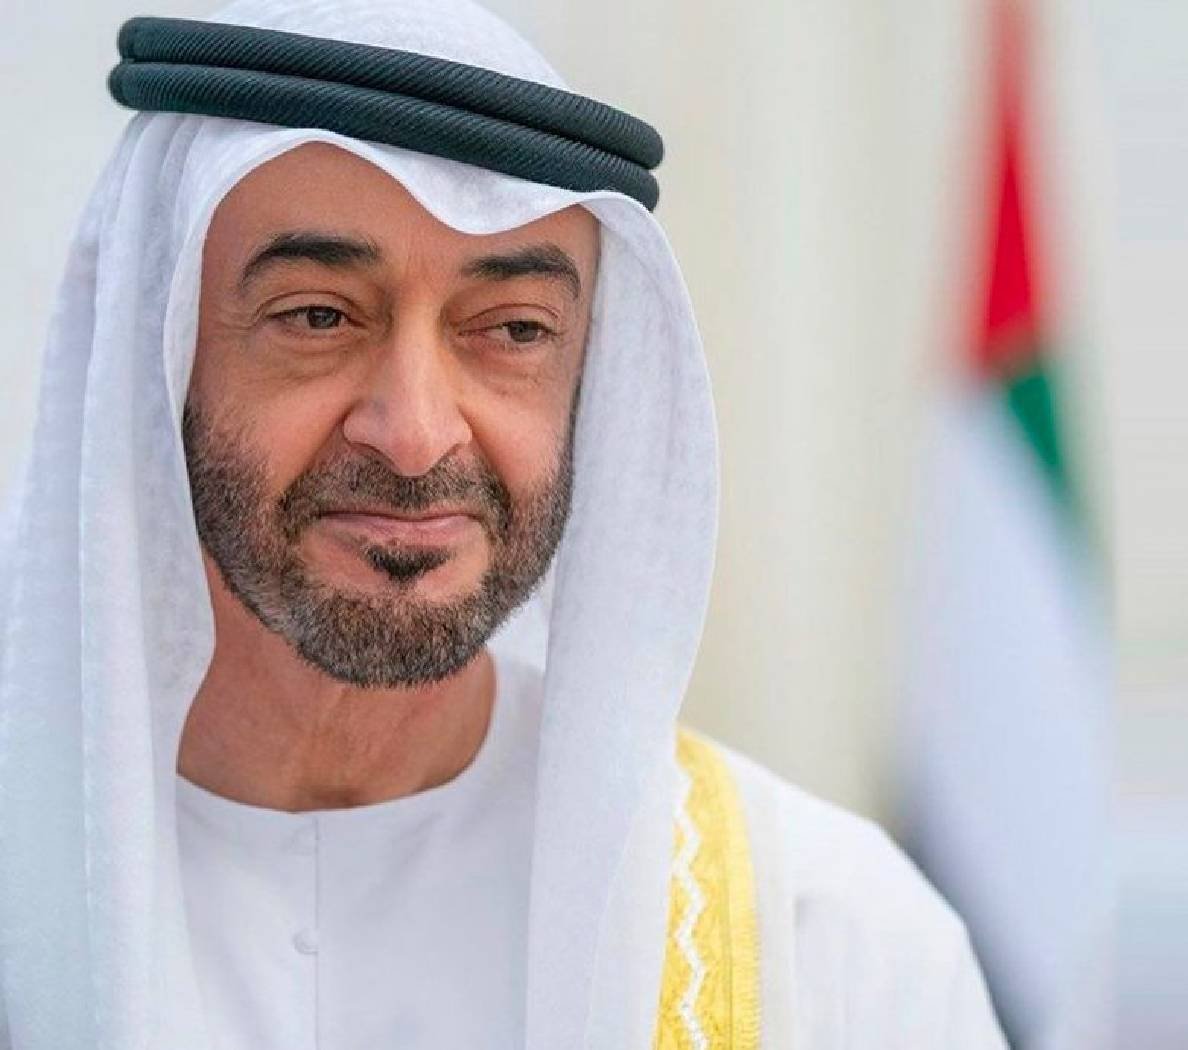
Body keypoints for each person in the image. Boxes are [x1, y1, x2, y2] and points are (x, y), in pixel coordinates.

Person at [0, 1, 1007, 1047]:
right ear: (157, 357)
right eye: (318, 316)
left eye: (513, 331)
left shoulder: (831, 943)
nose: (416, 434)